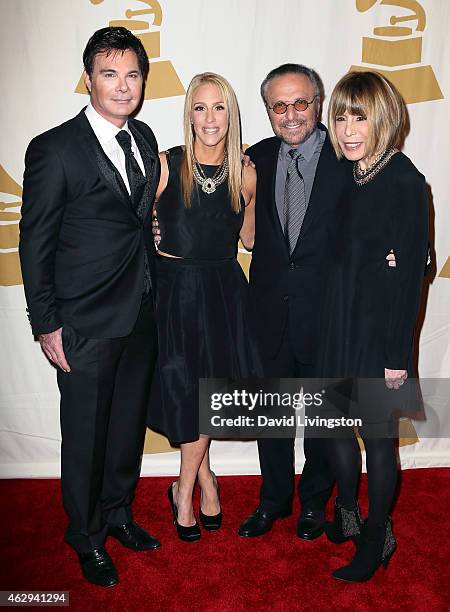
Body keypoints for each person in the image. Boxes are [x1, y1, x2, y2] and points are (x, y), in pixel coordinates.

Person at [19, 27, 161, 587]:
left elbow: (137, 219)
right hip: (82, 321)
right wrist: (46, 322)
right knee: (86, 436)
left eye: (132, 75)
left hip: (142, 311)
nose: (123, 86)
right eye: (110, 73)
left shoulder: (145, 138)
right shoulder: (53, 148)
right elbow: (36, 242)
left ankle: (118, 514)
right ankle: (85, 535)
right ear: (88, 79)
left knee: (126, 430)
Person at [318, 71, 428, 582]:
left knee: (378, 439)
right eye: (339, 116)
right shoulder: (343, 172)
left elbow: (408, 279)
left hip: (377, 332)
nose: (346, 128)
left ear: (383, 117)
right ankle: (347, 511)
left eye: (358, 115)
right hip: (336, 323)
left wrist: (395, 358)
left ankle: (378, 535)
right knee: (336, 427)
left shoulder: (405, 182)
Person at [238, 64, 349, 540]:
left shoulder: (349, 158)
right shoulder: (253, 159)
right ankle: (274, 499)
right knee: (272, 417)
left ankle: (314, 504)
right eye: (278, 106)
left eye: (300, 103)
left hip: (326, 315)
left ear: (318, 103)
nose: (290, 115)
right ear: (267, 110)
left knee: (324, 420)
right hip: (268, 313)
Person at [147, 73, 259, 541]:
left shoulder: (246, 173)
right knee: (185, 391)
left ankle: (187, 485)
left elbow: (249, 238)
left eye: (219, 108)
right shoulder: (165, 165)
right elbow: (133, 224)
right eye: (200, 107)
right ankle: (200, 481)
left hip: (222, 291)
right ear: (188, 113)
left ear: (230, 114)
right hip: (173, 291)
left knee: (210, 392)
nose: (209, 118)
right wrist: (153, 230)